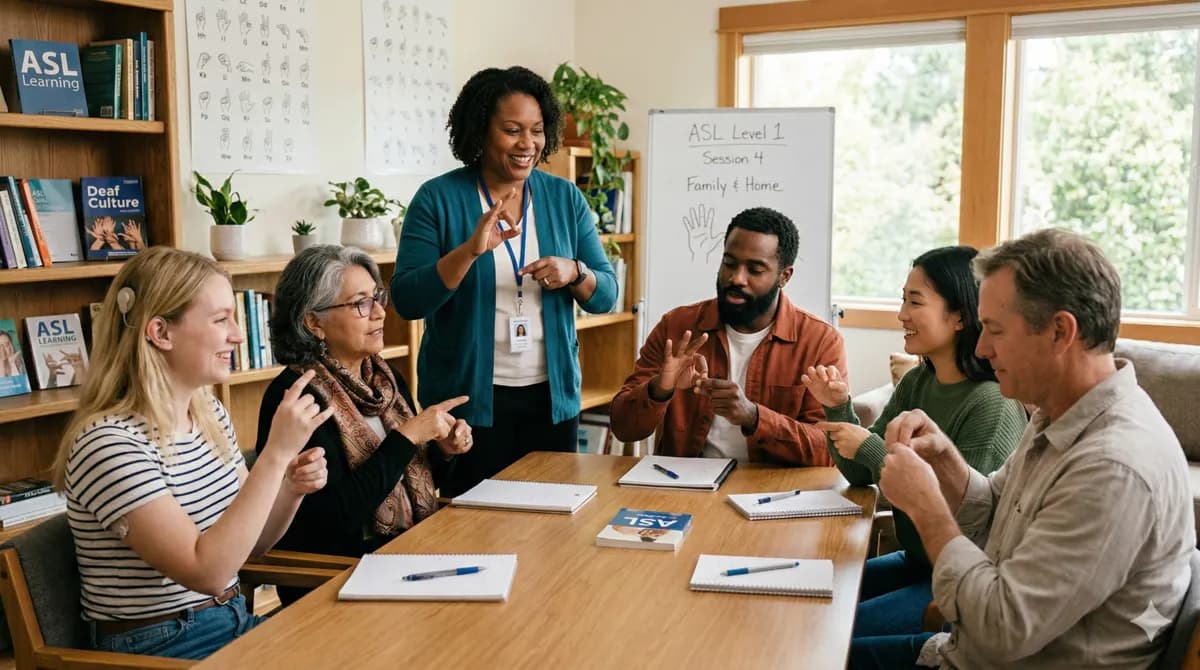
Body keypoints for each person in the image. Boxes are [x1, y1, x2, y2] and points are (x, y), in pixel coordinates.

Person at [861, 229, 1195, 670]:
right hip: (963, 650)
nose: (981, 347)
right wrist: (947, 464)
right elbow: (998, 506)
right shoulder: (1059, 410)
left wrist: (926, 507)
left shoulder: (1112, 467)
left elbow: (1000, 629)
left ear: (1060, 331)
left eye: (995, 330)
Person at [53, 247, 331, 660]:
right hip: (162, 645)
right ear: (161, 333)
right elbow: (210, 572)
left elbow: (249, 547)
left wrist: (289, 487)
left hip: (232, 617)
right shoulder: (107, 444)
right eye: (221, 320)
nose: (238, 335)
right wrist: (274, 455)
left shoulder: (207, 413)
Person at [393, 66, 617, 497]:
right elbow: (408, 300)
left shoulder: (564, 198)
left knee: (552, 530)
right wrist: (469, 251)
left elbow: (606, 295)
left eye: (536, 130)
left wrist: (575, 272)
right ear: (480, 130)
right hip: (467, 410)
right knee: (474, 532)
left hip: (551, 405)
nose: (527, 144)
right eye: (512, 130)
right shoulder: (438, 198)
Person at [802, 246, 1026, 644]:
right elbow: (858, 474)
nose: (902, 314)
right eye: (902, 299)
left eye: (915, 301)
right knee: (802, 597)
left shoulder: (992, 403)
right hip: (919, 560)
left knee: (825, 635)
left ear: (959, 315)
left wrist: (869, 447)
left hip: (961, 576)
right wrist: (839, 409)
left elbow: (965, 524)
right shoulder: (917, 382)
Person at [258, 246, 472, 602]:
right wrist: (406, 437)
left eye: (377, 298)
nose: (378, 313)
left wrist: (444, 451)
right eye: (360, 303)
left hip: (408, 553)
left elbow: (414, 477)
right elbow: (330, 520)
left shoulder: (385, 380)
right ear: (314, 323)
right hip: (338, 576)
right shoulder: (297, 397)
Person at [610, 206, 846, 465]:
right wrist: (660, 388)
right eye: (729, 263)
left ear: (784, 276)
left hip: (772, 493)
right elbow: (624, 429)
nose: (736, 278)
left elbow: (829, 451)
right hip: (684, 489)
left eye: (755, 270)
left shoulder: (820, 342)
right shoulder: (676, 327)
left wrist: (754, 417)